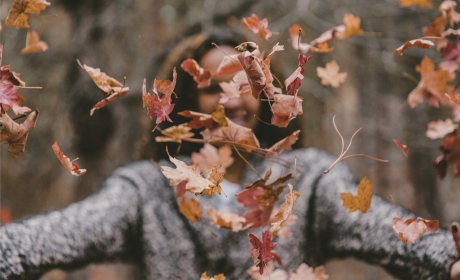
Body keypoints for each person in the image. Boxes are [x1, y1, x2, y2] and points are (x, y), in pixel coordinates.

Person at [1, 30, 460, 280]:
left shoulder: (309, 179)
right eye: (212, 87)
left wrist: (449, 258)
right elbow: (57, 235)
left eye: (245, 84)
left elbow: (389, 234)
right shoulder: (147, 189)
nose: (231, 98)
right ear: (185, 103)